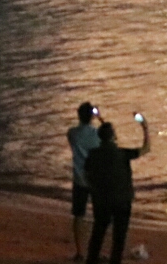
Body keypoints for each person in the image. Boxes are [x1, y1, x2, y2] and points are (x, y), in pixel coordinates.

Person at [83, 117, 150, 264]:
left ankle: (91, 259)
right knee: (119, 235)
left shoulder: (93, 155)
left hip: (101, 199)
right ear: (113, 136)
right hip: (122, 199)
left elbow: (87, 175)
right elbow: (146, 148)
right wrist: (145, 127)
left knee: (98, 231)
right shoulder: (122, 153)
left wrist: (94, 190)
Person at [67, 102, 102, 260]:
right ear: (92, 116)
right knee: (99, 217)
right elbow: (111, 138)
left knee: (79, 215)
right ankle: (95, 251)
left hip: (79, 179)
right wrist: (100, 118)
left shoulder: (72, 133)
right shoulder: (97, 134)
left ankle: (80, 251)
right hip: (96, 179)